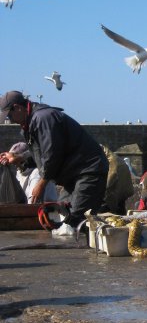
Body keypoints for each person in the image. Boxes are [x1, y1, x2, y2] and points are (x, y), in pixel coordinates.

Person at [0, 91, 108, 229]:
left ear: (18, 107)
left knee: (75, 220)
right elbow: (41, 155)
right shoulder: (31, 122)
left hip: (88, 171)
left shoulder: (43, 118)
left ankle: (83, 245)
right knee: (59, 215)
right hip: (74, 176)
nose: (11, 119)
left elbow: (53, 155)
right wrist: (19, 158)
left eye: (10, 115)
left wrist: (41, 184)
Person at [100, 145, 134, 215]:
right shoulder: (115, 159)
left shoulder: (112, 162)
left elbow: (109, 186)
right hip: (121, 194)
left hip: (113, 197)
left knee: (111, 216)